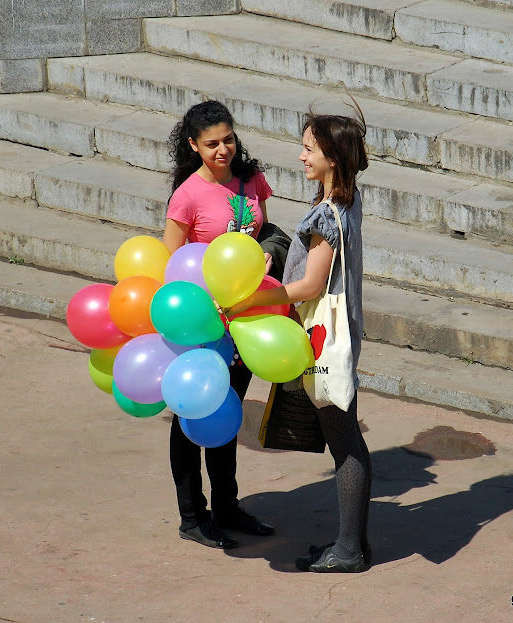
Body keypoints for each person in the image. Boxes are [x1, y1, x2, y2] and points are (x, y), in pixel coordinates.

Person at [224, 102, 372, 572]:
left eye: (309, 149)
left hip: (325, 336)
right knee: (341, 435)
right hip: (336, 328)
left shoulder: (328, 214)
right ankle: (348, 542)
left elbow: (311, 285)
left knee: (344, 438)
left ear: (332, 156)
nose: (302, 156)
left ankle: (349, 550)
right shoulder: (347, 200)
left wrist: (254, 301)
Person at [163, 100, 275, 549]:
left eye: (228, 139)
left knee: (227, 414)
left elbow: (266, 233)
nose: (223, 149)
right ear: (194, 146)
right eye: (211, 144)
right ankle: (192, 516)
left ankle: (227, 506)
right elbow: (171, 265)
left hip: (246, 319)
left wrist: (270, 256)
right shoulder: (187, 195)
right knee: (192, 414)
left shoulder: (253, 181)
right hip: (203, 323)